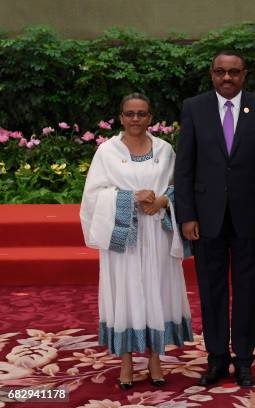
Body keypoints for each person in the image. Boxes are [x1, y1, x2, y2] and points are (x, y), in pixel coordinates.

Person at [174, 51, 255, 387]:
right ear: (211, 74)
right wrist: (187, 214)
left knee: (247, 290)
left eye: (233, 72)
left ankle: (245, 359)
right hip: (206, 218)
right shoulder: (194, 108)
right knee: (211, 290)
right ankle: (217, 358)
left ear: (244, 74)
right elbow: (185, 167)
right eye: (220, 72)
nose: (227, 78)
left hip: (250, 218)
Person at [80, 93, 193, 390]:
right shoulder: (107, 152)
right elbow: (93, 195)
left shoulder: (165, 149)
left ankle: (156, 357)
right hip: (123, 237)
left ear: (150, 117)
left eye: (141, 114)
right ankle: (127, 360)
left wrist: (163, 201)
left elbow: (179, 186)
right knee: (126, 293)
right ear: (120, 117)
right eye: (130, 114)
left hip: (157, 232)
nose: (135, 119)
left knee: (157, 290)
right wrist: (130, 198)